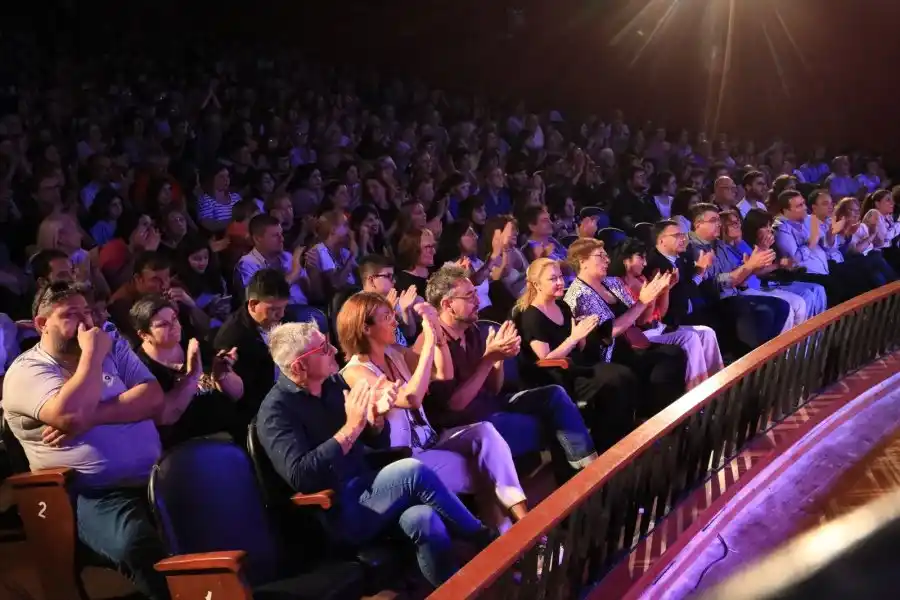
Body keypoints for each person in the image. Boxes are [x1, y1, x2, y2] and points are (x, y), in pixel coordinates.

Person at [256, 321, 497, 588]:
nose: (333, 350)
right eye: (323, 348)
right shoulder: (275, 413)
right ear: (299, 367)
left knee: (424, 519)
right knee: (412, 470)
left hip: (370, 489)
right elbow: (302, 476)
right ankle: (487, 540)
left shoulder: (333, 385)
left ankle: (456, 592)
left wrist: (375, 422)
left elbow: (374, 442)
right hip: (336, 510)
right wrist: (351, 428)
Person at [1, 282, 169, 599]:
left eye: (87, 312)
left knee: (215, 510)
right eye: (70, 314)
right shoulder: (27, 371)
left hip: (155, 480)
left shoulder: (113, 347)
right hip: (91, 494)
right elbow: (70, 415)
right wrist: (92, 354)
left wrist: (92, 417)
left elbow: (154, 399)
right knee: (138, 543)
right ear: (41, 324)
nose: (85, 322)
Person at [339, 292, 532, 531]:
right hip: (406, 459)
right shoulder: (355, 371)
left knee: (485, 432)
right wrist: (429, 341)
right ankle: (518, 535)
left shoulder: (396, 352)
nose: (395, 321)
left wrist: (437, 334)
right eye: (387, 316)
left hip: (432, 440)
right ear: (365, 328)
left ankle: (523, 525)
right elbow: (410, 398)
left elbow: (443, 374)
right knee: (485, 469)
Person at [423, 265, 598, 483]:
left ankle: (589, 468)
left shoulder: (472, 331)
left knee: (554, 395)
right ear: (447, 304)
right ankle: (577, 480)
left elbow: (494, 389)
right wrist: (488, 360)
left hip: (492, 405)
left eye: (476, 293)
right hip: (465, 423)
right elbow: (454, 405)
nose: (478, 300)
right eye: (469, 296)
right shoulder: (433, 343)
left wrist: (498, 359)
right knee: (549, 424)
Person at [514, 258, 640, 449]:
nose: (560, 282)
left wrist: (583, 335)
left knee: (625, 374)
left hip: (577, 366)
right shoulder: (531, 316)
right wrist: (574, 338)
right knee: (614, 379)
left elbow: (579, 347)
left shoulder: (563, 306)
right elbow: (545, 360)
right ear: (536, 285)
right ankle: (608, 445)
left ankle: (623, 436)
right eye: (553, 279)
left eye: (560, 277)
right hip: (556, 376)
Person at [563, 239, 688, 415]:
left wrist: (655, 295)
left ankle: (669, 415)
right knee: (660, 363)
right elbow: (608, 332)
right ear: (582, 261)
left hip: (631, 345)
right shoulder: (578, 295)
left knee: (674, 353)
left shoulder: (612, 283)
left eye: (606, 255)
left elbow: (640, 320)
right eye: (600, 256)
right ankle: (655, 417)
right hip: (606, 354)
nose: (607, 260)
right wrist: (642, 302)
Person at [607, 239, 724, 389]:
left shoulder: (642, 279)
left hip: (659, 327)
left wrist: (666, 289)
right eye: (640, 257)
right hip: (644, 333)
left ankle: (717, 382)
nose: (644, 263)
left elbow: (660, 313)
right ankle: (696, 390)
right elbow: (642, 321)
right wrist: (650, 298)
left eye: (645, 258)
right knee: (690, 337)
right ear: (626, 260)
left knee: (707, 332)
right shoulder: (618, 284)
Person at [131, 295, 242, 448]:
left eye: (174, 319)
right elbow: (164, 417)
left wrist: (222, 374)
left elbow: (237, 393)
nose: (174, 326)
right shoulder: (140, 368)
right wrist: (193, 376)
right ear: (144, 335)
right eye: (163, 324)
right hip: (188, 447)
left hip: (229, 432)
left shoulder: (191, 343)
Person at [717, 210, 824, 330]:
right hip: (748, 290)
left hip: (759, 285)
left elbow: (757, 269)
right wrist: (767, 260)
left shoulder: (741, 244)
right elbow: (747, 276)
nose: (737, 224)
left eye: (737, 221)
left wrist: (772, 261)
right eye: (732, 223)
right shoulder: (722, 249)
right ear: (722, 227)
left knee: (813, 292)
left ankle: (807, 337)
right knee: (796, 303)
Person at [214, 269, 290, 430]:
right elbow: (243, 397)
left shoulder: (283, 318)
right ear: (253, 304)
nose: (281, 315)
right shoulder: (233, 338)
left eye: (284, 307)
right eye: (273, 309)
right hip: (258, 416)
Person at [359, 254, 420, 345]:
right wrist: (386, 312)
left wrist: (405, 310)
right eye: (388, 276)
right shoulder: (358, 306)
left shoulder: (390, 298)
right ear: (371, 280)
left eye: (393, 276)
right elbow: (369, 342)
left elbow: (410, 333)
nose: (394, 281)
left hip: (403, 351)